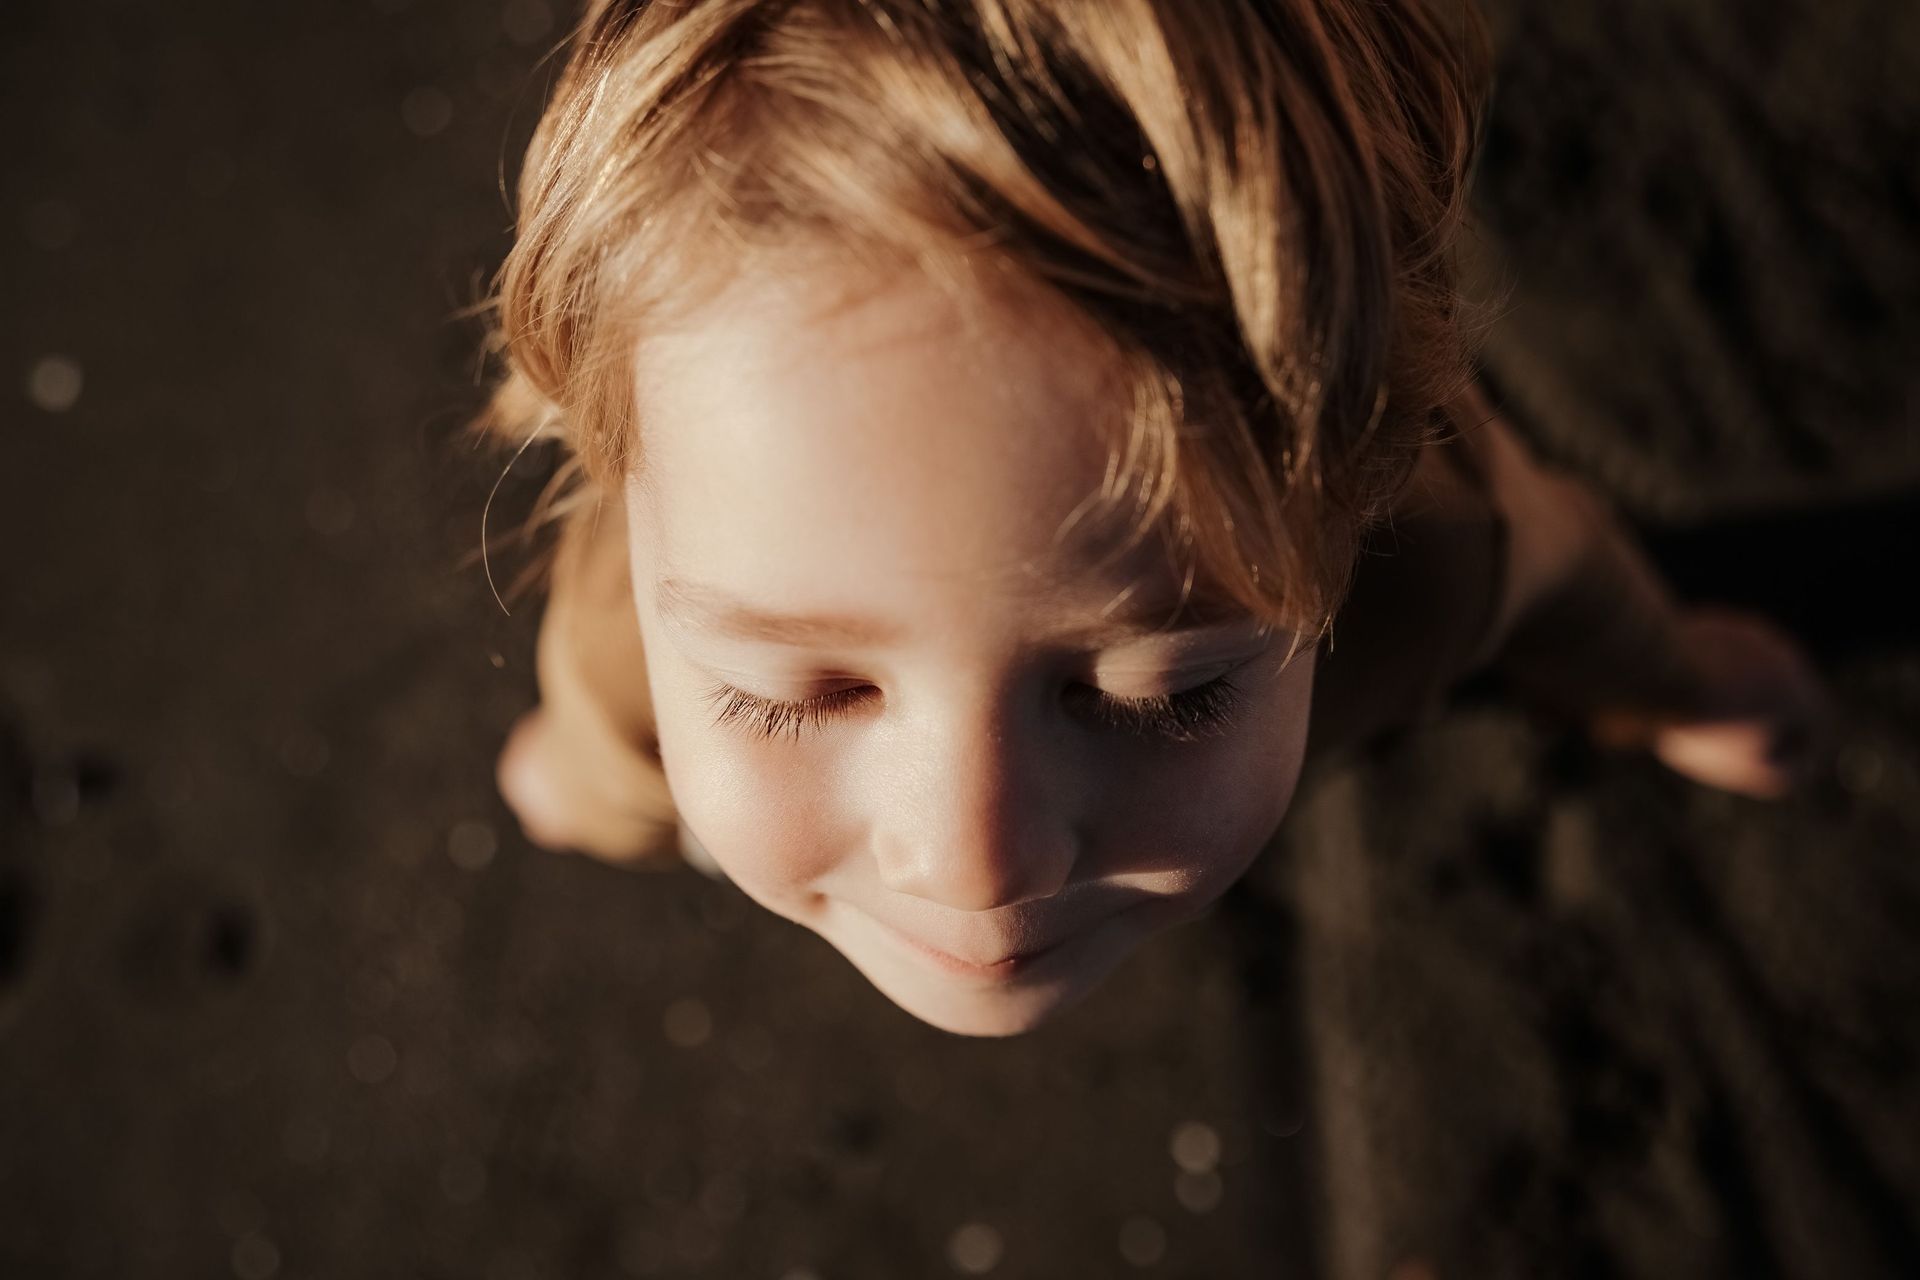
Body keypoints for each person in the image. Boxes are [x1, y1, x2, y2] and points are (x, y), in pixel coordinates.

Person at [474, 0, 1826, 1037]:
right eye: (799, 695)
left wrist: (1674, 680)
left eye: (1168, 693)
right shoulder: (619, 640)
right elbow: (603, 732)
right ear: (614, 464)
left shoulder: (1433, 569)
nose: (977, 861)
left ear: (1352, 501)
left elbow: (1565, 567)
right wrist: (591, 784)